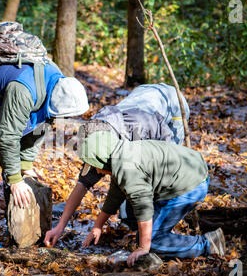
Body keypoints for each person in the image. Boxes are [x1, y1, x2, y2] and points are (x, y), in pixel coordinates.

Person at [0, 53, 89, 248]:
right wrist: (14, 179)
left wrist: (25, 165)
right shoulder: (24, 90)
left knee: (18, 172)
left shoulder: (58, 83)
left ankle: (18, 233)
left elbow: (41, 125)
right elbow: (8, 136)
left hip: (4, 102)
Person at [44, 83, 190, 247]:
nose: (98, 171)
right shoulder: (95, 137)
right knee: (128, 194)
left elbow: (168, 155)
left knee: (149, 182)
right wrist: (60, 226)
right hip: (142, 93)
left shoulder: (136, 135)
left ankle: (159, 232)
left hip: (171, 103)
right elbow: (82, 183)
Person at [78, 130, 225, 266]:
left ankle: (207, 244)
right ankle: (164, 233)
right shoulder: (122, 154)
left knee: (153, 241)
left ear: (103, 159)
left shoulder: (128, 169)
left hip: (191, 185)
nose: (96, 170)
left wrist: (143, 247)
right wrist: (97, 226)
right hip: (190, 171)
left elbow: (143, 208)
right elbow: (115, 196)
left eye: (94, 165)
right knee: (131, 216)